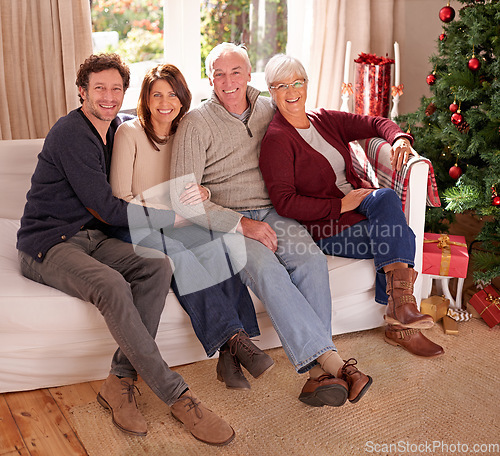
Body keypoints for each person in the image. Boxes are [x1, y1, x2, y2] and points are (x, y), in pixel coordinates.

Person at [16, 53, 235, 446]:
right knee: (112, 284)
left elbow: (117, 206)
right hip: (48, 244)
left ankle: (119, 381)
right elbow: (107, 205)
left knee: (156, 267)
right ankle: (179, 396)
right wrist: (174, 219)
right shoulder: (71, 132)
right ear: (82, 91)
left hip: (91, 238)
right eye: (99, 87)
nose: (108, 95)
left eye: (116, 88)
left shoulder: (115, 129)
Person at [170, 42, 372, 408]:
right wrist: (241, 224)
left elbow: (309, 133)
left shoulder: (269, 108)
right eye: (218, 74)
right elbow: (180, 197)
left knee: (310, 262)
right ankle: (336, 364)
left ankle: (318, 377)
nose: (227, 82)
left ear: (250, 76)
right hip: (227, 223)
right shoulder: (196, 123)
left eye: (235, 72)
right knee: (268, 271)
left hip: (275, 212)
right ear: (209, 78)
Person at [259, 53, 444, 358]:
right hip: (327, 226)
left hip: (360, 208)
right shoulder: (277, 141)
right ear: (271, 91)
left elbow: (374, 121)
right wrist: (340, 205)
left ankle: (400, 312)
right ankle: (402, 321)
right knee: (402, 237)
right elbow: (285, 203)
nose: (291, 92)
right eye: (281, 86)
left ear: (306, 84)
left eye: (297, 82)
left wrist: (399, 138)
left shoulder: (324, 119)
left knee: (384, 198)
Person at [109, 63, 273, 391]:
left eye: (172, 94)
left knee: (218, 248)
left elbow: (196, 185)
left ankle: (229, 359)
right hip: (133, 223)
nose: (165, 101)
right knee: (180, 258)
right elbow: (120, 199)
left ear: (183, 99)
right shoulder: (130, 134)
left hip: (176, 220)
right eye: (157, 94)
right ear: (145, 99)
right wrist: (170, 215)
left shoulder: (187, 130)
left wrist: (206, 193)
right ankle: (236, 342)